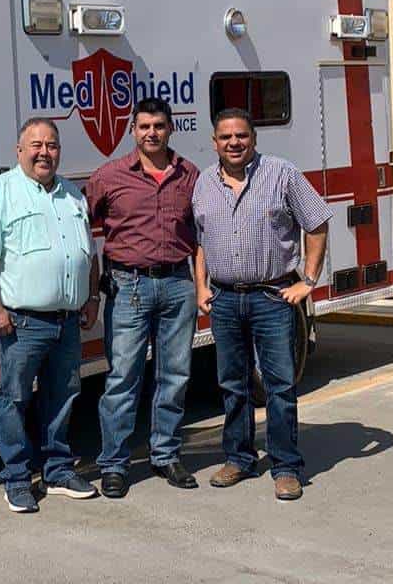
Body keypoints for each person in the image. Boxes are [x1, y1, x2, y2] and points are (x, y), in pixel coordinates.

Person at [0, 117, 101, 513]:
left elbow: (87, 253)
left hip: (67, 320)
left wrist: (91, 297)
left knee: (62, 396)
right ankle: (17, 478)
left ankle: (58, 470)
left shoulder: (73, 195)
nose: (45, 152)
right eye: (36, 145)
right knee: (15, 400)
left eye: (52, 145)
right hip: (22, 322)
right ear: (19, 150)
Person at [192, 108, 329, 501]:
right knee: (232, 384)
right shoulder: (203, 183)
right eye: (225, 137)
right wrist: (200, 286)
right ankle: (239, 458)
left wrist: (308, 280)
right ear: (214, 142)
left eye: (241, 136)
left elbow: (317, 222)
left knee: (279, 386)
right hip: (224, 298)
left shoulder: (281, 173)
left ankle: (286, 466)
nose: (234, 143)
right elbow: (201, 240)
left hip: (272, 296)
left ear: (254, 138)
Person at [85, 97, 199, 499]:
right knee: (122, 379)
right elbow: (82, 228)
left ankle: (165, 454)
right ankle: (114, 464)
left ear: (170, 129)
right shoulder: (110, 176)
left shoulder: (190, 175)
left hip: (177, 285)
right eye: (144, 126)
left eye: (159, 126)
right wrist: (92, 288)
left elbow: (200, 234)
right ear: (133, 131)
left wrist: (201, 286)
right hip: (128, 285)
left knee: (175, 375)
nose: (152, 133)